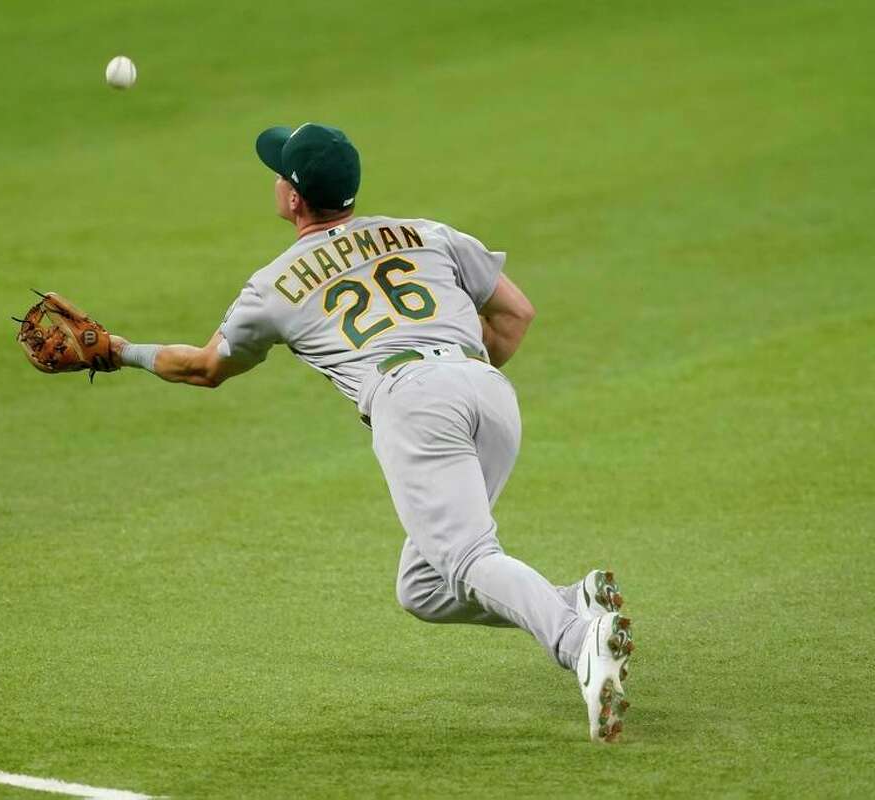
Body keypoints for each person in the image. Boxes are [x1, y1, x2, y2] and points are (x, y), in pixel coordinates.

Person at [108, 123, 634, 742]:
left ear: (295, 199)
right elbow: (516, 314)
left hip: (411, 401)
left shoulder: (275, 284)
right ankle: (576, 603)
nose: (275, 181)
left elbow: (202, 368)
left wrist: (117, 351)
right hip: (487, 390)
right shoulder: (427, 233)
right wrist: (461, 382)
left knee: (467, 558)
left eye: (280, 173)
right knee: (424, 587)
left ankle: (578, 645)